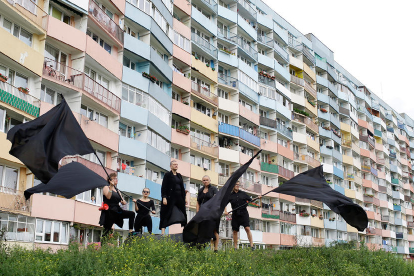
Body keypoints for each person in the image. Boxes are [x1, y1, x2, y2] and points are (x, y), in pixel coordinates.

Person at [224, 181, 261, 250]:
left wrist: (258, 198)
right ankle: (235, 247)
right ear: (233, 186)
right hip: (235, 214)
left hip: (244, 213)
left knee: (247, 228)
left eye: (238, 185)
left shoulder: (243, 194)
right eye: (236, 185)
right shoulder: (230, 196)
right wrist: (225, 211)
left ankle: (252, 246)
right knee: (235, 231)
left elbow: (251, 200)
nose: (237, 186)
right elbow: (224, 204)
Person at [99, 173, 135, 237]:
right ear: (110, 180)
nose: (116, 180)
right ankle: (103, 245)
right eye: (114, 178)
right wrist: (111, 187)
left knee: (132, 214)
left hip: (117, 210)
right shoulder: (106, 187)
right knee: (107, 230)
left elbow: (122, 201)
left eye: (116, 178)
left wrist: (124, 202)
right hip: (109, 211)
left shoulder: (117, 190)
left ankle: (130, 231)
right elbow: (108, 197)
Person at [160, 160, 188, 235]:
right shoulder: (167, 175)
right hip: (170, 197)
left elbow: (182, 187)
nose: (176, 165)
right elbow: (164, 187)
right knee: (166, 213)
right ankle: (163, 232)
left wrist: (184, 198)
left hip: (180, 197)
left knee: (183, 212)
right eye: (174, 164)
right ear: (170, 166)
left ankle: (185, 230)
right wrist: (164, 197)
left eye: (177, 164)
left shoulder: (179, 175)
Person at [196, 175, 219, 251]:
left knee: (214, 230)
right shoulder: (200, 190)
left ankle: (215, 249)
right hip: (203, 213)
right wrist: (197, 212)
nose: (205, 181)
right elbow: (198, 202)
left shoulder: (214, 189)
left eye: (207, 180)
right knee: (203, 230)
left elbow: (216, 200)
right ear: (202, 181)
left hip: (212, 212)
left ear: (210, 180)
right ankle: (202, 247)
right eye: (204, 180)